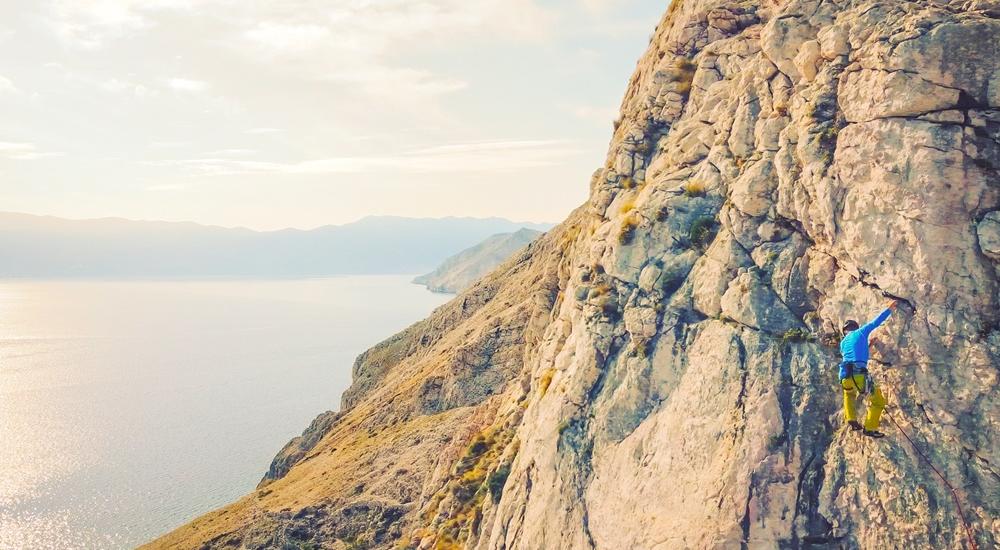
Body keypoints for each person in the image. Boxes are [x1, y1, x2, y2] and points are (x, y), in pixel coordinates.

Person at [839, 299, 898, 438]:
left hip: (845, 376)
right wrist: (889, 309)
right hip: (859, 375)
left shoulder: (843, 343)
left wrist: (869, 346)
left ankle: (851, 419)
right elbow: (875, 323)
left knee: (849, 394)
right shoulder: (860, 332)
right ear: (855, 327)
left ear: (845, 331)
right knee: (878, 402)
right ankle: (870, 428)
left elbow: (852, 354)